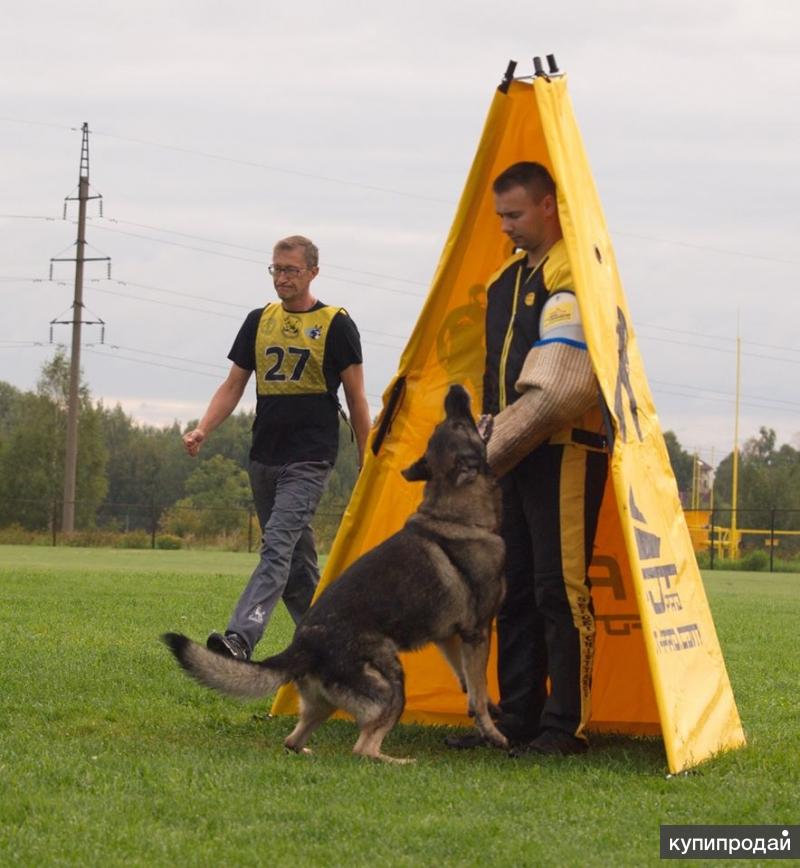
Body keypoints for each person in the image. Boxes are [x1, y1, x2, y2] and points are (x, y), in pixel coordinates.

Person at [447, 162, 609, 755]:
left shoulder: (575, 269)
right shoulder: (505, 279)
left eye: (514, 215)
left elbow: (565, 381)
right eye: (499, 216)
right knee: (510, 587)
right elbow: (497, 378)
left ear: (547, 206)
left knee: (558, 589)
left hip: (566, 446)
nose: (505, 227)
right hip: (509, 455)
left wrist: (496, 445)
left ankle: (566, 726)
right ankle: (516, 715)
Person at [183, 235, 372, 661]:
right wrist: (203, 429)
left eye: (290, 270)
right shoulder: (258, 320)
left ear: (312, 273)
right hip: (264, 456)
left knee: (276, 548)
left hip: (310, 458)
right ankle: (336, 651)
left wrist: (368, 459)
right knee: (297, 570)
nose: (282, 278)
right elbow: (234, 384)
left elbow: (359, 400)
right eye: (276, 269)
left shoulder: (337, 325)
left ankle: (240, 638)